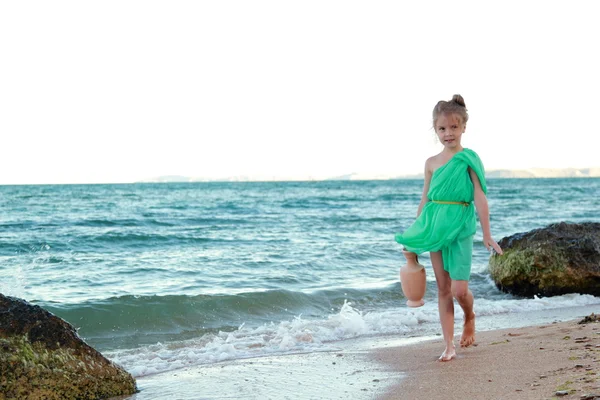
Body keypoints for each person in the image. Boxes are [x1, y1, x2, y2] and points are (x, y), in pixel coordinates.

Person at [395, 94, 503, 361]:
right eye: (442, 128)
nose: (448, 133)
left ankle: (470, 315)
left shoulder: (468, 159)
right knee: (443, 289)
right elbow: (425, 199)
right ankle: (448, 345)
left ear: (464, 127)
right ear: (435, 129)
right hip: (435, 226)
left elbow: (479, 195)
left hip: (461, 225)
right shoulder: (431, 163)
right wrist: (416, 234)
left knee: (459, 290)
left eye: (454, 127)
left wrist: (487, 233)